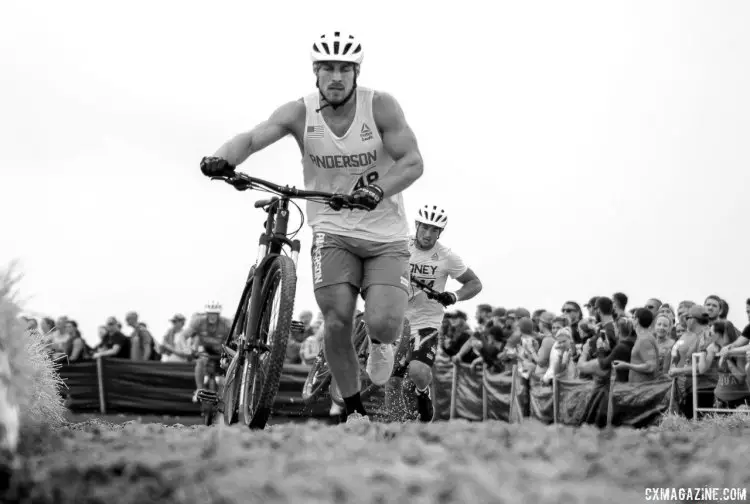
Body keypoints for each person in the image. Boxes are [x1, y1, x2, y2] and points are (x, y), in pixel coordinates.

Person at [199, 32, 424, 425]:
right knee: (336, 317)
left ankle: (379, 343)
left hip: (385, 234)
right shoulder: (300, 113)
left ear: (356, 73)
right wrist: (221, 158)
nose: (335, 77)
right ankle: (353, 410)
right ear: (316, 72)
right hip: (332, 229)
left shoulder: (381, 107)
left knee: (383, 324)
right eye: (328, 69)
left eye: (344, 69)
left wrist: (378, 189)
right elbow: (253, 137)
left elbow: (412, 162)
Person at [391, 205, 482, 422]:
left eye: (434, 230)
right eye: (425, 228)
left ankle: (422, 392)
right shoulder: (400, 245)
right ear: (417, 226)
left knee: (417, 371)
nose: (428, 234)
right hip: (396, 318)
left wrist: (454, 295)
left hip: (426, 322)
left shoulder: (446, 256)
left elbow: (475, 283)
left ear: (440, 232)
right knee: (388, 374)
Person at [183, 301, 232, 402]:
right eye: (210, 313)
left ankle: (228, 395)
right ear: (206, 313)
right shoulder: (198, 321)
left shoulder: (226, 323)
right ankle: (199, 389)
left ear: (218, 314)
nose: (212, 316)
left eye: (215, 313)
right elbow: (183, 336)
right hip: (205, 350)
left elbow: (235, 339)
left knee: (228, 367)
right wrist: (187, 349)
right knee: (201, 361)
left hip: (221, 351)